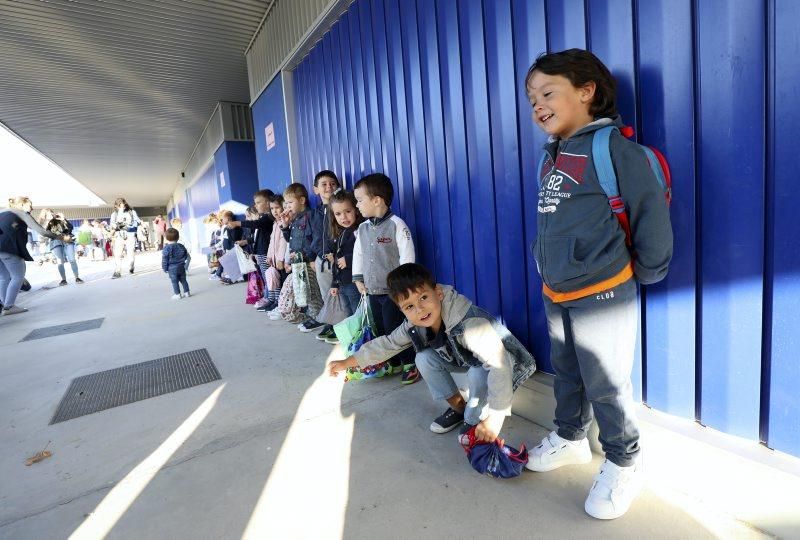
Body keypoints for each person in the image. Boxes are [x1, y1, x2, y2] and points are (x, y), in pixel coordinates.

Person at [523, 49, 672, 520]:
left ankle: (624, 461)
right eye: (531, 99)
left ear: (587, 92)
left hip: (604, 290)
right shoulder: (551, 157)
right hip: (557, 290)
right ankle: (569, 437)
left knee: (606, 384)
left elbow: (650, 212)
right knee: (566, 372)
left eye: (548, 93)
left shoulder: (613, 149)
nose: (538, 105)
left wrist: (646, 272)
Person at [329, 263, 536, 439]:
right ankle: (459, 409)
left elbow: (498, 362)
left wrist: (496, 417)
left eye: (423, 298)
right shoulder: (414, 323)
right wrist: (346, 363)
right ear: (402, 311)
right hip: (464, 358)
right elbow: (388, 344)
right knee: (423, 358)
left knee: (476, 374)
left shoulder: (468, 323)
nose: (419, 310)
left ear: (438, 293)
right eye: (409, 306)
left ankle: (474, 418)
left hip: (503, 363)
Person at [351, 173, 419, 384]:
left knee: (395, 330)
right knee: (380, 330)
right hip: (371, 290)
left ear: (377, 200)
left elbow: (407, 257)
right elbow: (358, 254)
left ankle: (410, 363)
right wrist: (358, 278)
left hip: (392, 293)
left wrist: (403, 286)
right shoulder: (362, 229)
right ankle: (394, 362)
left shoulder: (397, 225)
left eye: (360, 200)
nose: (357, 205)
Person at [0, 197, 69, 315]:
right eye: (30, 205)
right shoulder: (21, 213)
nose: (32, 208)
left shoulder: (2, 212)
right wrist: (61, 237)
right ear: (21, 204)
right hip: (10, 249)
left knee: (4, 277)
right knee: (17, 276)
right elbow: (41, 231)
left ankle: (4, 305)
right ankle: (9, 306)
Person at [276, 183, 323, 330]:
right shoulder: (294, 219)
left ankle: (317, 318)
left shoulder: (313, 215)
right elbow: (292, 241)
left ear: (302, 200)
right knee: (308, 294)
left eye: (290, 202)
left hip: (308, 263)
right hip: (298, 265)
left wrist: (309, 257)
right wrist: (285, 226)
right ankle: (313, 317)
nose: (287, 206)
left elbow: (317, 239)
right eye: (286, 203)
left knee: (313, 294)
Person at [324, 190, 364, 344]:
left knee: (358, 313)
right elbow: (336, 263)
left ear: (356, 209)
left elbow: (367, 253)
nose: (344, 217)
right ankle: (355, 337)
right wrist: (334, 283)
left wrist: (348, 259)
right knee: (349, 313)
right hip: (344, 284)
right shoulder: (340, 233)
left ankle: (362, 338)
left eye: (348, 211)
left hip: (356, 284)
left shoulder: (360, 230)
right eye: (338, 214)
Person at [307, 170, 340, 341]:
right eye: (324, 184)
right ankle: (331, 322)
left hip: (339, 259)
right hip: (321, 260)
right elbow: (310, 236)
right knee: (326, 292)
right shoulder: (313, 214)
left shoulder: (341, 209)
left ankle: (340, 325)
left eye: (333, 184)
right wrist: (313, 258)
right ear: (316, 190)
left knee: (339, 292)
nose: (329, 187)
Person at [226, 189, 275, 302]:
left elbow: (256, 224)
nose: (255, 205)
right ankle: (269, 298)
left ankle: (272, 300)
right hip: (260, 252)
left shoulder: (268, 217)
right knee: (265, 277)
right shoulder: (264, 217)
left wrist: (237, 223)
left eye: (258, 202)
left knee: (270, 278)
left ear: (268, 203)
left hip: (265, 252)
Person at [258, 195, 288, 312]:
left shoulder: (284, 222)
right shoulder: (275, 223)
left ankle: (282, 305)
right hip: (275, 260)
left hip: (282, 261)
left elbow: (284, 242)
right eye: (272, 208)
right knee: (276, 282)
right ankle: (277, 302)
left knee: (282, 284)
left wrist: (280, 259)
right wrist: (269, 256)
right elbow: (271, 242)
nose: (274, 211)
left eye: (277, 207)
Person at [40, 209, 83, 285]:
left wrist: (64, 219)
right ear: (45, 216)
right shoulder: (45, 223)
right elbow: (45, 233)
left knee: (72, 259)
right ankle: (63, 279)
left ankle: (77, 277)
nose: (52, 215)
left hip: (67, 239)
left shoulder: (60, 219)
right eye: (49, 214)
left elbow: (70, 228)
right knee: (60, 261)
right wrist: (48, 222)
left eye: (52, 213)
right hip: (55, 241)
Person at [109, 197, 141, 279]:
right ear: (116, 206)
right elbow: (112, 225)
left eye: (122, 205)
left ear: (125, 204)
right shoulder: (114, 214)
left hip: (130, 235)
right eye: (119, 205)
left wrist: (129, 226)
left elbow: (138, 221)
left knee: (130, 252)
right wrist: (117, 226)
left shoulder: (131, 212)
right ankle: (117, 271)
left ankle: (131, 267)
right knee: (117, 254)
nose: (121, 207)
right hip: (119, 236)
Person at [161, 227, 191, 299]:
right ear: (178, 237)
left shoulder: (166, 248)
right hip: (181, 266)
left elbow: (165, 259)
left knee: (174, 281)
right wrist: (184, 264)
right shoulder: (181, 246)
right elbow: (186, 256)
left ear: (166, 238)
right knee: (183, 280)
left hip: (172, 268)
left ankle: (177, 294)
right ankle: (187, 292)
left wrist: (164, 268)